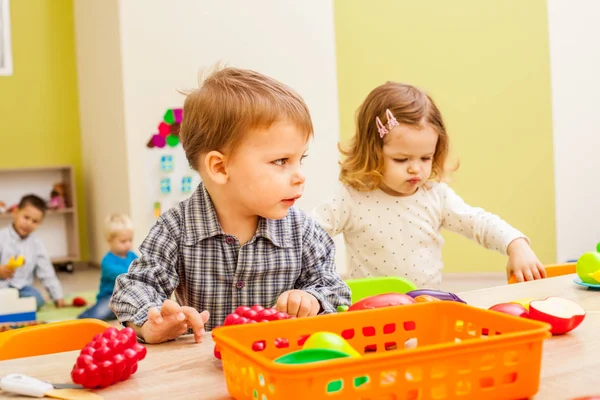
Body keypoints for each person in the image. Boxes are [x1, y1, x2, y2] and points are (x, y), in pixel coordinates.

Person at [110, 66, 351, 344]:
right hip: (202, 370)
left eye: (301, 159)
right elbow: (135, 288)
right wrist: (150, 322)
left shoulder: (303, 231)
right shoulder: (176, 228)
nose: (300, 176)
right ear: (220, 167)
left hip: (279, 364)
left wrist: (312, 298)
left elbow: (334, 288)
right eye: (281, 161)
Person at [313, 82, 546, 288]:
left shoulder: (435, 196)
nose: (416, 169)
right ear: (372, 152)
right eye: (401, 159)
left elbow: (478, 222)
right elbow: (308, 234)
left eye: (426, 158)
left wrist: (515, 244)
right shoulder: (351, 198)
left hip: (426, 306)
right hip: (372, 313)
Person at [0, 194, 64, 309]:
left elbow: (47, 272)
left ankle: (13, 307)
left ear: (40, 223)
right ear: (15, 212)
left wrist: (57, 296)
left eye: (35, 221)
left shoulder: (37, 244)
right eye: (26, 217)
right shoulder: (2, 237)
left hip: (23, 288)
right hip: (2, 287)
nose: (29, 223)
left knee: (38, 300)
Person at [78, 214, 137, 321]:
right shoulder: (107, 261)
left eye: (130, 240)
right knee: (99, 314)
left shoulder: (133, 256)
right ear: (110, 240)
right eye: (123, 241)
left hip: (129, 298)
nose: (128, 244)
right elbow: (122, 275)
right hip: (111, 297)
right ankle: (83, 318)